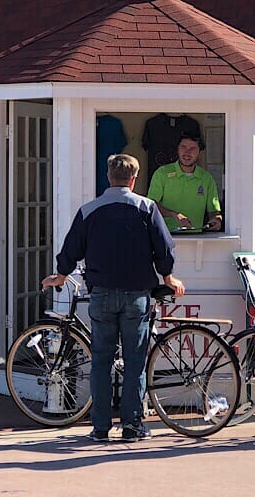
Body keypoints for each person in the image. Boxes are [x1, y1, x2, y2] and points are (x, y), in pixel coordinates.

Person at [41, 153, 185, 443]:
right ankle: (132, 426)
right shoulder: (147, 207)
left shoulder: (89, 210)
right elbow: (164, 247)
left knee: (101, 361)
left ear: (109, 177)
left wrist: (60, 274)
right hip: (136, 294)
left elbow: (71, 248)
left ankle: (101, 427)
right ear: (134, 179)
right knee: (134, 362)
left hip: (102, 293)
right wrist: (168, 277)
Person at [147, 133, 223, 232]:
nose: (187, 152)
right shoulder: (162, 173)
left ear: (199, 152)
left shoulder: (206, 178)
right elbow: (151, 204)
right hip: (165, 235)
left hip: (195, 238)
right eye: (183, 147)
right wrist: (173, 214)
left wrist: (217, 220)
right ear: (178, 149)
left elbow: (214, 211)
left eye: (193, 148)